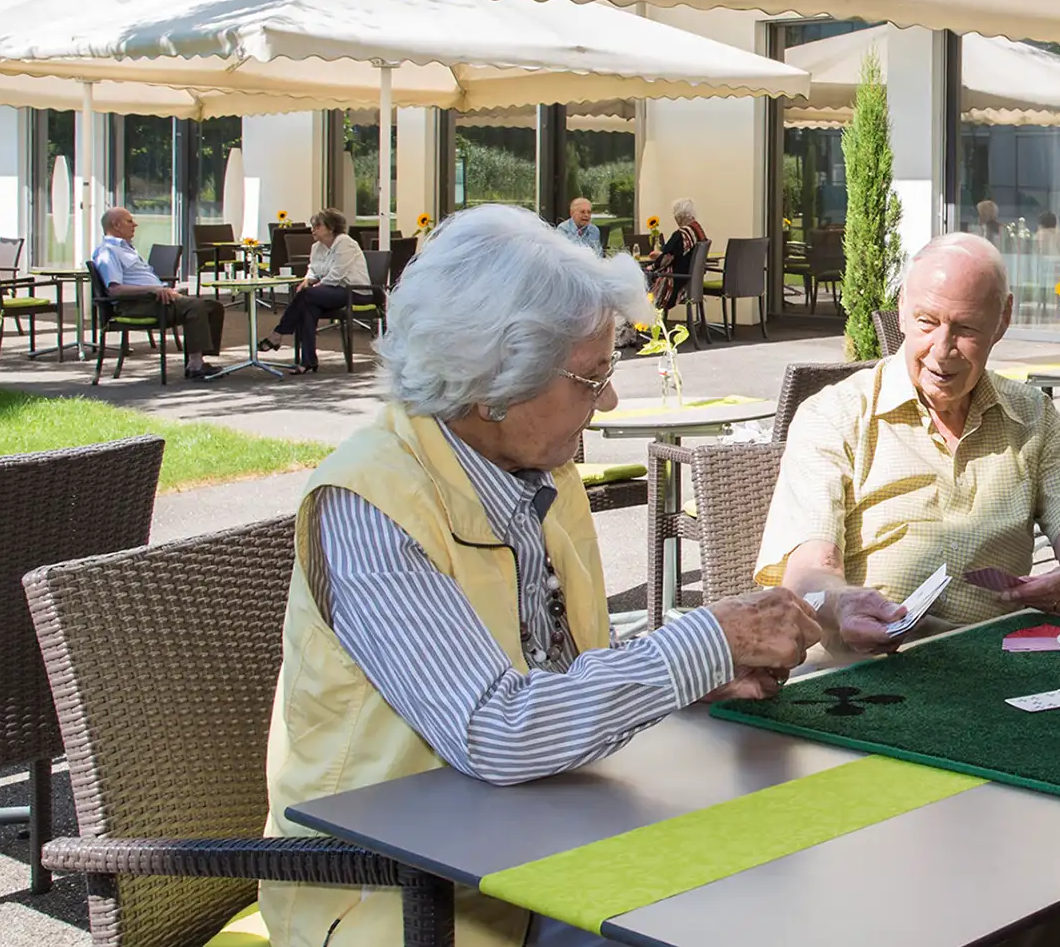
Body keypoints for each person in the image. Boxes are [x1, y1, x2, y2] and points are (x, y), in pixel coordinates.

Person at [261, 205, 822, 947]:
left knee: (777, 886)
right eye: (592, 378)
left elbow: (559, 672)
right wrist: (704, 643)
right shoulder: (367, 501)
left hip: (535, 848)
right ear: (492, 382)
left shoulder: (539, 468)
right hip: (401, 899)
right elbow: (496, 731)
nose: (611, 401)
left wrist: (698, 675)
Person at [754, 233, 1060, 654]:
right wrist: (841, 603)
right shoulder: (835, 415)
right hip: (863, 673)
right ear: (902, 309)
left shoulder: (1032, 416)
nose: (942, 351)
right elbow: (806, 574)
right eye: (926, 322)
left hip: (993, 663)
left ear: (1002, 321)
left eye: (966, 329)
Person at [91, 207, 229, 382]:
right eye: (129, 221)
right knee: (196, 306)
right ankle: (195, 365)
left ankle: (198, 357)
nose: (135, 224)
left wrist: (165, 289)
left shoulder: (126, 249)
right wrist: (153, 290)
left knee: (213, 306)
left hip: (156, 300)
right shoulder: (108, 252)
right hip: (137, 305)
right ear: (116, 225)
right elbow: (114, 289)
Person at [258, 208, 370, 374]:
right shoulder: (317, 247)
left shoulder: (345, 243)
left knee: (306, 295)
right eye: (313, 226)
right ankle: (308, 361)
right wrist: (307, 279)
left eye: (317, 226)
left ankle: (278, 333)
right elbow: (313, 269)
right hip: (331, 291)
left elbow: (337, 274)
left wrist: (316, 287)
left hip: (354, 292)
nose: (313, 229)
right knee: (309, 307)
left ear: (331, 228)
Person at [643, 197, 708, 310]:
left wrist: (652, 265)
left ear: (679, 216)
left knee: (642, 277)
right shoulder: (699, 231)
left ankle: (640, 321)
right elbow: (675, 255)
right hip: (690, 281)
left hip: (676, 284)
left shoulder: (681, 234)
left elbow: (665, 260)